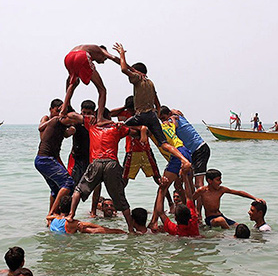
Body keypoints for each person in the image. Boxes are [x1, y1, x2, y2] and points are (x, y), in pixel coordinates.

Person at [112, 43, 191, 173]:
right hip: (152, 115)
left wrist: (122, 54)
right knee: (164, 144)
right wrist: (157, 118)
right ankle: (184, 160)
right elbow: (158, 104)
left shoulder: (138, 78)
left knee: (120, 129)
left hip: (140, 116)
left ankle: (142, 130)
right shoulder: (150, 82)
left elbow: (124, 69)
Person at [64, 108, 142, 233]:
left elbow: (72, 115)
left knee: (78, 189)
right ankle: (131, 229)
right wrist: (128, 125)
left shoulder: (92, 125)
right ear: (109, 117)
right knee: (121, 197)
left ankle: (71, 214)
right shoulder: (116, 127)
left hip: (96, 163)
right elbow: (135, 133)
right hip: (111, 163)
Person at [167, 107, 211, 218]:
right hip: (191, 152)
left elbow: (174, 124)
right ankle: (192, 210)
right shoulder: (178, 116)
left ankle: (199, 214)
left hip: (200, 149)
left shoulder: (174, 120)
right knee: (189, 181)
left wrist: (171, 119)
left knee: (198, 184)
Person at [35, 105, 77, 216]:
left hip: (43, 160)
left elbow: (67, 133)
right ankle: (52, 213)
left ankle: (53, 218)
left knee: (56, 189)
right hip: (46, 160)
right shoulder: (55, 120)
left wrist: (72, 130)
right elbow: (40, 128)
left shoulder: (60, 125)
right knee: (68, 183)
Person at [61, 44, 120, 122]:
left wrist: (66, 104)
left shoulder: (87, 48)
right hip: (81, 56)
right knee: (102, 90)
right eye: (104, 59)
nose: (103, 62)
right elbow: (114, 58)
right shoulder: (101, 50)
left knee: (74, 83)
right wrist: (131, 69)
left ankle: (63, 110)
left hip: (68, 57)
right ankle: (100, 118)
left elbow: (69, 82)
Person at [193, 169, 264, 229]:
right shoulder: (202, 191)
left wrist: (254, 198)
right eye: (218, 180)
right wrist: (196, 213)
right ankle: (231, 235)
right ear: (209, 181)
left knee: (239, 226)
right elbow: (191, 200)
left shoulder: (221, 190)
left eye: (220, 179)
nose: (220, 182)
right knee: (221, 220)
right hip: (210, 219)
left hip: (221, 215)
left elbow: (239, 193)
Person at [47, 195, 126, 234]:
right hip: (68, 245)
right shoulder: (73, 223)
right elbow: (96, 229)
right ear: (73, 209)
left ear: (60, 207)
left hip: (58, 244)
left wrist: (55, 216)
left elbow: (48, 217)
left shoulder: (53, 220)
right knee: (89, 231)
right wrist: (119, 231)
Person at [154, 171, 200, 237]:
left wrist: (161, 189)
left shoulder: (174, 229)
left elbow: (160, 212)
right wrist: (185, 176)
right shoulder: (193, 221)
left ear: (175, 218)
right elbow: (189, 197)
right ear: (190, 216)